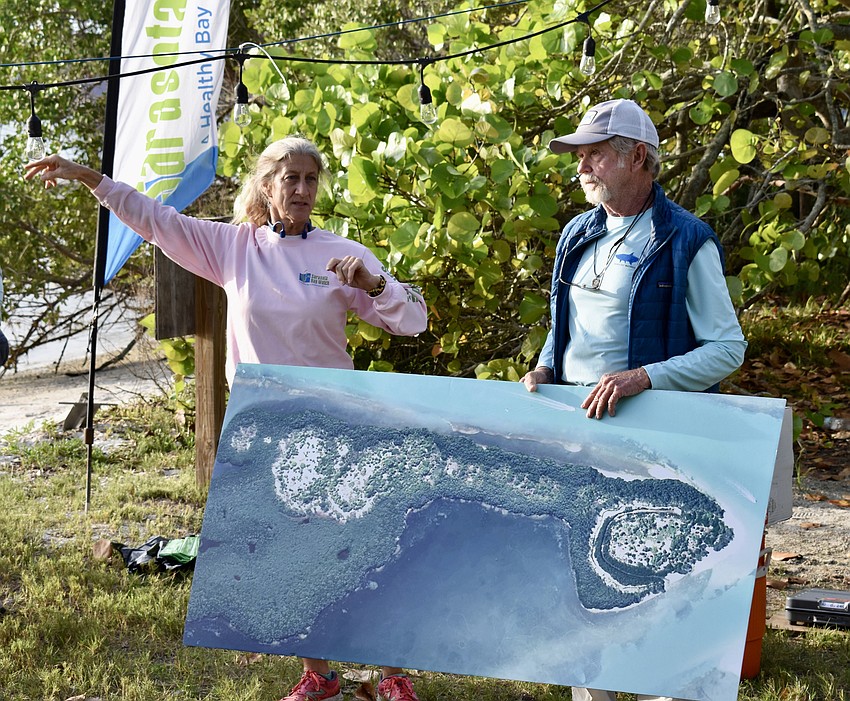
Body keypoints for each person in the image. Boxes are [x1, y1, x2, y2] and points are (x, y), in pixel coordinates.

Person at [25, 136, 427, 701]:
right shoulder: (234, 248)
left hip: (335, 427)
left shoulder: (344, 254)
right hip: (263, 427)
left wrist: (374, 285)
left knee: (355, 549)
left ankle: (391, 676)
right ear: (268, 186)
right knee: (286, 554)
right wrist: (91, 177)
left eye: (311, 179)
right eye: (291, 178)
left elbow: (412, 322)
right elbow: (156, 220)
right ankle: (322, 676)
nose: (303, 189)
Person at [520, 99, 747, 701]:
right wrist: (545, 364)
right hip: (578, 435)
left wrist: (642, 377)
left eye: (595, 154)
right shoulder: (578, 231)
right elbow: (564, 323)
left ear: (638, 157)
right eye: (580, 155)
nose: (582, 166)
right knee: (582, 583)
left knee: (654, 582)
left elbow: (727, 350)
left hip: (652, 441)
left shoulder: (686, 240)